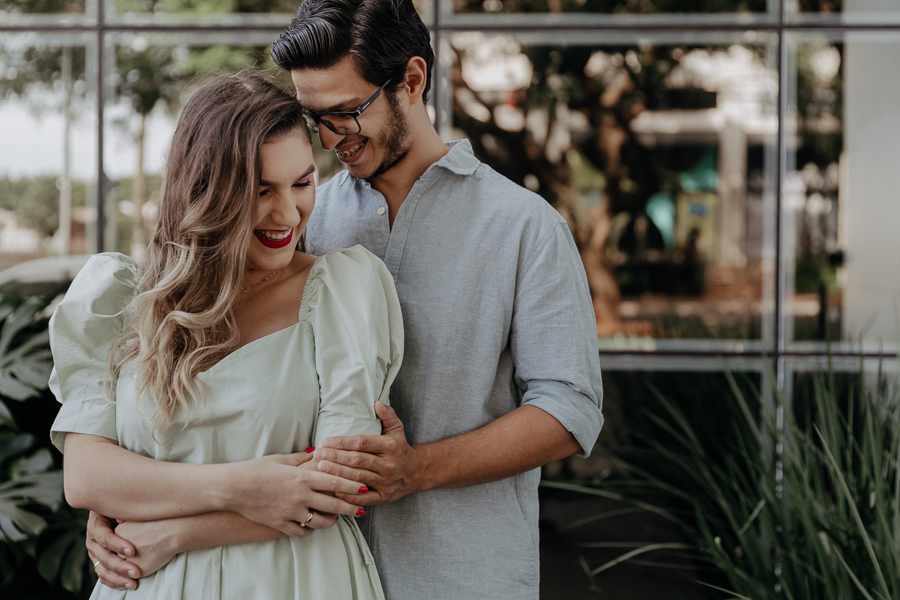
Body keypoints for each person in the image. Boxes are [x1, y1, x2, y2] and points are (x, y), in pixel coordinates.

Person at [91, 0, 605, 598]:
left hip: (458, 575)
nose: (331, 139)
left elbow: (571, 409)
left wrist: (417, 470)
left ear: (412, 81)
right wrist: (127, 511)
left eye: (345, 112)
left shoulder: (524, 226)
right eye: (316, 120)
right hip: (305, 569)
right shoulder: (298, 220)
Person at [49, 71, 403, 598]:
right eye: (261, 191)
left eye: (302, 183)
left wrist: (174, 531)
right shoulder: (120, 298)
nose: (288, 214)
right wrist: (243, 487)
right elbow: (87, 478)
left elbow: (339, 485)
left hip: (293, 578)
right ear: (205, 190)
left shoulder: (340, 290)